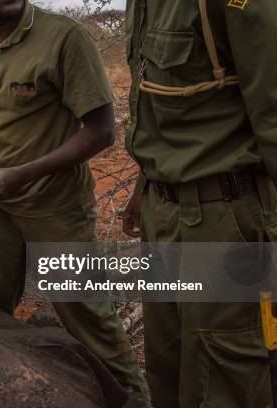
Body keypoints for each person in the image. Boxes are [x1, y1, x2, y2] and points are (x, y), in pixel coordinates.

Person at [0, 1, 149, 406]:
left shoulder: (64, 37)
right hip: (3, 209)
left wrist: (21, 174)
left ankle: (134, 400)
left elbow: (101, 132)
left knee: (87, 318)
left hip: (58, 210)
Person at [122, 1, 277, 406]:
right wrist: (144, 187)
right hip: (162, 211)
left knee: (225, 380)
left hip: (224, 217)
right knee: (167, 371)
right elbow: (165, 107)